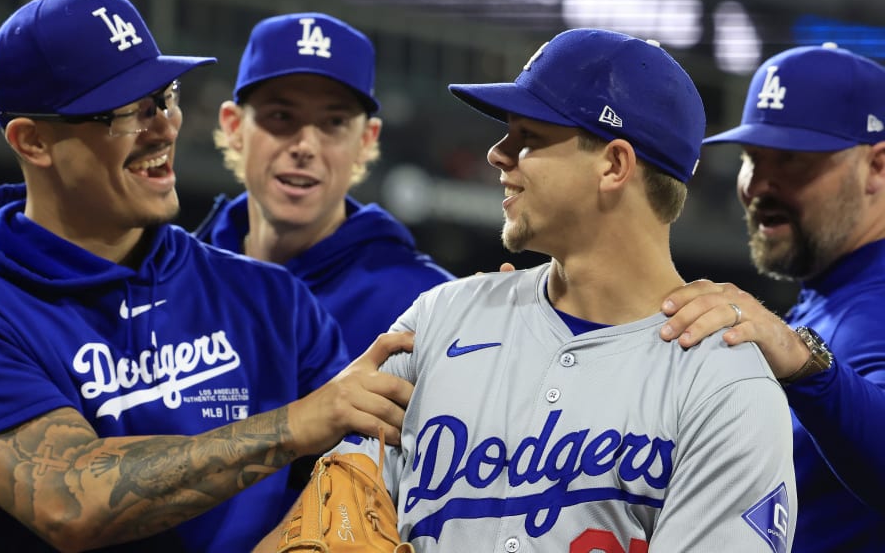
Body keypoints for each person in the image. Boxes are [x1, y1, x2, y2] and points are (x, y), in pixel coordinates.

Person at [0, 0, 414, 552]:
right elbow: (68, 498)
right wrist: (295, 425)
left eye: (164, 97)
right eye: (125, 112)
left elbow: (349, 481)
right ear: (33, 140)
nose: (163, 128)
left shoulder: (272, 298)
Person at [258, 28, 797, 552]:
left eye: (529, 138)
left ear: (614, 165)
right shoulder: (442, 318)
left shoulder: (726, 386)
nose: (497, 153)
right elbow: (327, 521)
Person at [660, 42, 885, 551]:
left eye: (793, 160)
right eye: (752, 158)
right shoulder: (829, 299)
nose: (759, 184)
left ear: (877, 166)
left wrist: (805, 362)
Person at [193, 11, 454, 358]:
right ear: (234, 127)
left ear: (365, 140)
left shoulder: (428, 305)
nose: (306, 147)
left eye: (333, 122)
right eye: (282, 117)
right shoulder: (175, 279)